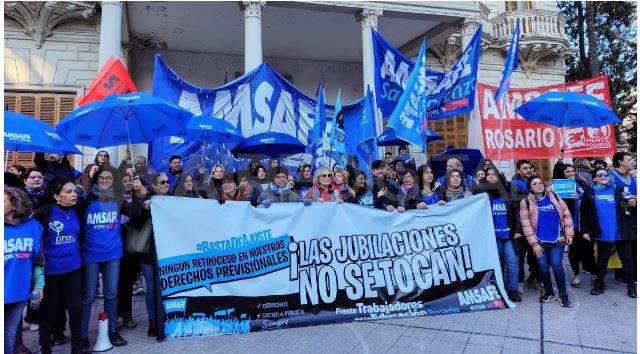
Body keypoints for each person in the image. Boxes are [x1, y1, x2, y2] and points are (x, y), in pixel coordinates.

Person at [79, 165, 144, 352]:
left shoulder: (118, 199)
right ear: (96, 180)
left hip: (113, 254)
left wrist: (139, 192)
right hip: (90, 254)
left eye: (109, 178)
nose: (106, 181)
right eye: (102, 178)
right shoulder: (85, 200)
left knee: (112, 293)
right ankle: (82, 336)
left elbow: (136, 214)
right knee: (88, 296)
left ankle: (112, 330)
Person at [31, 178, 84, 354]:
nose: (73, 194)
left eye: (74, 190)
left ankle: (77, 347)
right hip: (51, 271)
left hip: (73, 268)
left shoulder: (78, 210)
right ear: (56, 196)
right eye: (68, 192)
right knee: (49, 311)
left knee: (76, 308)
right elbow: (34, 241)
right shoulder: (43, 214)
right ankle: (45, 348)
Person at [580, 167, 637, 298]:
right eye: (600, 175)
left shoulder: (619, 189)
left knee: (627, 261)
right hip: (601, 232)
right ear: (594, 178)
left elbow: (631, 210)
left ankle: (631, 287)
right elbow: (584, 214)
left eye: (605, 174)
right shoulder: (589, 193)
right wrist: (585, 231)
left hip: (621, 231)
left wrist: (635, 203)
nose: (604, 177)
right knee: (602, 261)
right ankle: (599, 285)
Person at [519, 176, 574, 307]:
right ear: (530, 188)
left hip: (558, 239)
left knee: (557, 266)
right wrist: (534, 244)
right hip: (540, 242)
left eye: (540, 183)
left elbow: (566, 214)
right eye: (535, 184)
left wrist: (569, 233)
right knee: (543, 268)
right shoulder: (526, 202)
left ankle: (563, 295)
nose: (539, 185)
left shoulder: (553, 196)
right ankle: (549, 293)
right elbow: (525, 224)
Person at [5, 187, 44, 354]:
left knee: (10, 333)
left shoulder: (33, 227)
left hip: (19, 291)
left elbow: (39, 260)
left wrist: (39, 285)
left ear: (15, 205)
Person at [479, 167, 521, 302]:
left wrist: (518, 230)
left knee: (512, 263)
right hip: (493, 237)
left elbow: (517, 213)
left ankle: (513, 290)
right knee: (497, 264)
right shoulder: (482, 194)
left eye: (493, 174)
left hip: (509, 236)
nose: (491, 176)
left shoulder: (509, 191)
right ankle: (500, 289)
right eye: (488, 175)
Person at [552, 162, 594, 288]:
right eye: (567, 172)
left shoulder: (582, 183)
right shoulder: (560, 187)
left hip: (585, 224)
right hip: (571, 225)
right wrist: (569, 198)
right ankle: (576, 275)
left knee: (589, 250)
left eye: (572, 171)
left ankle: (593, 273)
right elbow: (558, 205)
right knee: (574, 251)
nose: (570, 173)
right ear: (563, 174)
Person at [510, 160, 541, 292]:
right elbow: (515, 209)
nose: (528, 170)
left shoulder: (537, 183)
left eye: (529, 168)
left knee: (535, 255)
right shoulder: (512, 186)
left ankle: (535, 278)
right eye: (524, 168)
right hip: (520, 229)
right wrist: (517, 229)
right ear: (518, 170)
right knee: (520, 256)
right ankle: (520, 282)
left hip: (535, 227)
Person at [609, 151, 637, 285]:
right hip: (619, 219)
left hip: (634, 217)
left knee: (634, 249)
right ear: (620, 162)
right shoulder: (610, 177)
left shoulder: (633, 176)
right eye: (629, 159)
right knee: (623, 251)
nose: (633, 161)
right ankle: (621, 276)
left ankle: (633, 276)